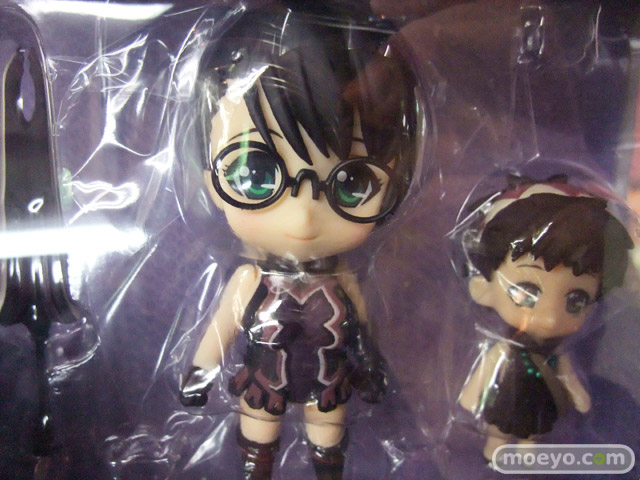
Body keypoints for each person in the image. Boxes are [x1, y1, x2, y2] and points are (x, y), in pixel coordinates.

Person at [178, 3, 421, 479]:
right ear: (211, 182)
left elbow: (363, 329)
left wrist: (371, 366)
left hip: (328, 381)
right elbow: (221, 328)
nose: (305, 217)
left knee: (328, 436)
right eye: (255, 175)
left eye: (352, 184)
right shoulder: (252, 279)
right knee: (259, 434)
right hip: (265, 378)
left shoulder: (342, 278)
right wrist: (199, 374)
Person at [458, 175, 633, 461]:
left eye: (576, 300)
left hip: (539, 402)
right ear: (483, 288)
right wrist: (471, 395)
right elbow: (486, 371)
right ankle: (494, 450)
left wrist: (578, 394)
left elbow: (568, 376)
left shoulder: (555, 355)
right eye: (527, 292)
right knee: (498, 428)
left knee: (532, 430)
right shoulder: (506, 349)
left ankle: (526, 455)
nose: (550, 318)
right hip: (506, 397)